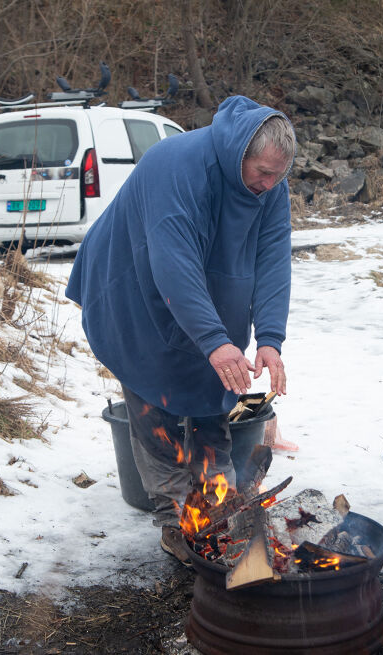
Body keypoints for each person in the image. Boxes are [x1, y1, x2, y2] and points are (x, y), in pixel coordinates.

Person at [66, 96, 295, 566]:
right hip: (133, 285)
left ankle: (218, 502)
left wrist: (269, 339)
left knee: (215, 392)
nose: (270, 184)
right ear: (239, 155)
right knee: (155, 397)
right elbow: (173, 262)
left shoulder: (272, 185)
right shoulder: (174, 164)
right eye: (264, 173)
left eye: (278, 175)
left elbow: (273, 260)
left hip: (204, 292)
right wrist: (214, 340)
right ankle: (176, 519)